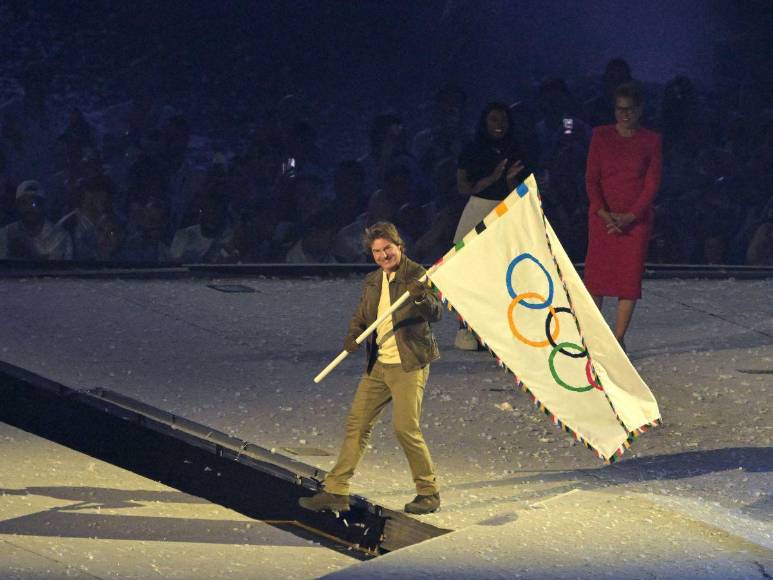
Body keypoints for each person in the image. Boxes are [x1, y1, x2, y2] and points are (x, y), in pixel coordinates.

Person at [299, 221, 442, 515]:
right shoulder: (374, 280)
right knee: (357, 424)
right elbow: (363, 316)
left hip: (408, 364)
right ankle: (336, 490)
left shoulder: (417, 274)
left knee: (405, 429)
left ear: (399, 246)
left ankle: (428, 492)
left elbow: (436, 312)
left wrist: (419, 295)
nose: (382, 255)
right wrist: (353, 334)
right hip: (378, 365)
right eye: (377, 251)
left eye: (387, 249)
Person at [584, 82, 662, 349]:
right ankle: (594, 338)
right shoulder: (601, 136)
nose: (624, 114)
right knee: (597, 279)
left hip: (635, 222)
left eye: (629, 109)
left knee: (628, 281)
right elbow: (592, 179)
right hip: (602, 218)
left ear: (639, 110)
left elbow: (651, 184)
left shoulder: (650, 140)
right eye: (619, 109)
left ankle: (618, 339)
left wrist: (631, 216)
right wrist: (603, 212)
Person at [453, 102, 531, 350]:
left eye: (503, 120)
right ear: (485, 123)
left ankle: (497, 329)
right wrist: (493, 177)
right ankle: (465, 330)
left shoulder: (517, 149)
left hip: (506, 212)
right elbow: (464, 188)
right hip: (478, 210)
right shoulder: (473, 149)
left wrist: (508, 180)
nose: (499, 125)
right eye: (493, 120)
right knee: (470, 273)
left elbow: (521, 192)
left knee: (503, 274)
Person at [0, 180, 72, 260]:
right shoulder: (5, 235)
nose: (29, 208)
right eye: (24, 202)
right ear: (17, 206)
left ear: (44, 205)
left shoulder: (61, 236)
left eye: (35, 203)